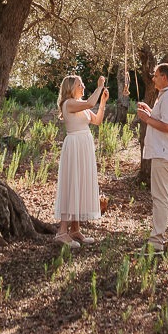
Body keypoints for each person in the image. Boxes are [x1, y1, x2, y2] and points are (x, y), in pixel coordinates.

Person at [136, 62, 168, 252]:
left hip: (163, 153)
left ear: (164, 77)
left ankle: (156, 242)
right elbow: (165, 120)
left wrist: (146, 119)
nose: (153, 78)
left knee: (160, 197)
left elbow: (167, 126)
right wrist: (150, 111)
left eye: (156, 75)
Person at [53, 74, 107, 247]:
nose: (83, 86)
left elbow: (97, 120)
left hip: (84, 147)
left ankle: (75, 229)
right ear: (70, 88)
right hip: (74, 146)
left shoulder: (81, 106)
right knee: (71, 184)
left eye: (83, 83)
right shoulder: (69, 104)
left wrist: (103, 102)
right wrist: (99, 86)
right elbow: (91, 102)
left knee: (80, 183)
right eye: (80, 84)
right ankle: (62, 232)